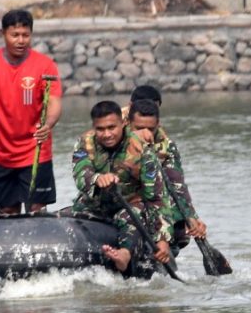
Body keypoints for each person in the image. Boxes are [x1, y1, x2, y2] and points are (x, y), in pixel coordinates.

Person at [0, 9, 62, 215]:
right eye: (14, 35)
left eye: (26, 35)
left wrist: (49, 124)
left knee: (36, 210)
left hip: (35, 149)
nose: (21, 40)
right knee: (7, 211)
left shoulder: (45, 65)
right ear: (3, 34)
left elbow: (54, 101)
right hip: (0, 153)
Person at [66, 101, 174, 276]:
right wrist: (97, 178)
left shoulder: (142, 149)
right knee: (65, 216)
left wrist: (163, 239)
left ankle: (124, 255)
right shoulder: (84, 143)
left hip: (129, 205)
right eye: (100, 129)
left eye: (112, 127)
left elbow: (156, 197)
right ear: (94, 127)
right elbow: (80, 174)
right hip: (94, 204)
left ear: (123, 123)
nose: (107, 134)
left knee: (135, 213)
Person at [127, 98, 209, 254]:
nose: (145, 134)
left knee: (178, 227)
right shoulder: (114, 138)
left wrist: (191, 217)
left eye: (150, 129)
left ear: (158, 125)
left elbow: (176, 183)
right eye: (139, 128)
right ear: (128, 124)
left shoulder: (166, 146)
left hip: (152, 199)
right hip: (123, 200)